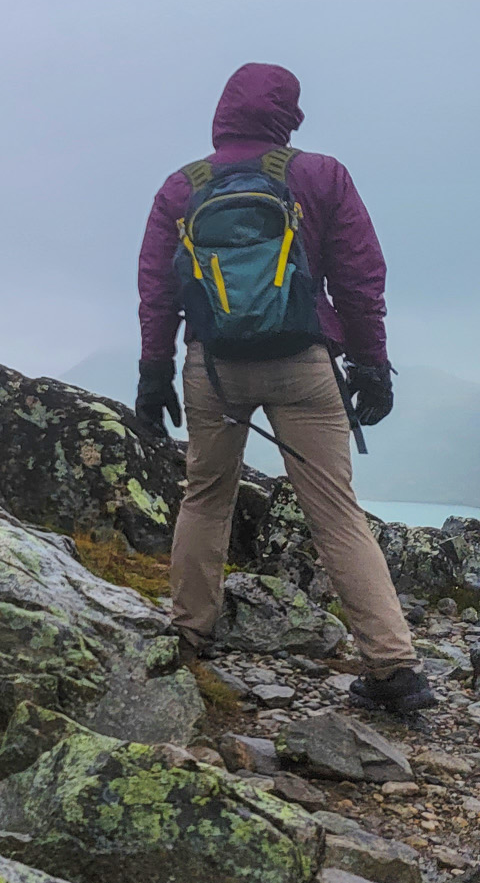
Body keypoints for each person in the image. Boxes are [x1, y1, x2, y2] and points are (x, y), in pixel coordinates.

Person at [135, 63, 426, 712]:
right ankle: (394, 669)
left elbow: (157, 292)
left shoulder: (181, 187)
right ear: (288, 115)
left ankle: (188, 639)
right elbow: (358, 278)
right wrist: (371, 366)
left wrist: (153, 372)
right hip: (302, 362)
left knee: (205, 497)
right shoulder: (321, 176)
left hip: (211, 366)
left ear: (222, 112)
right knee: (336, 511)